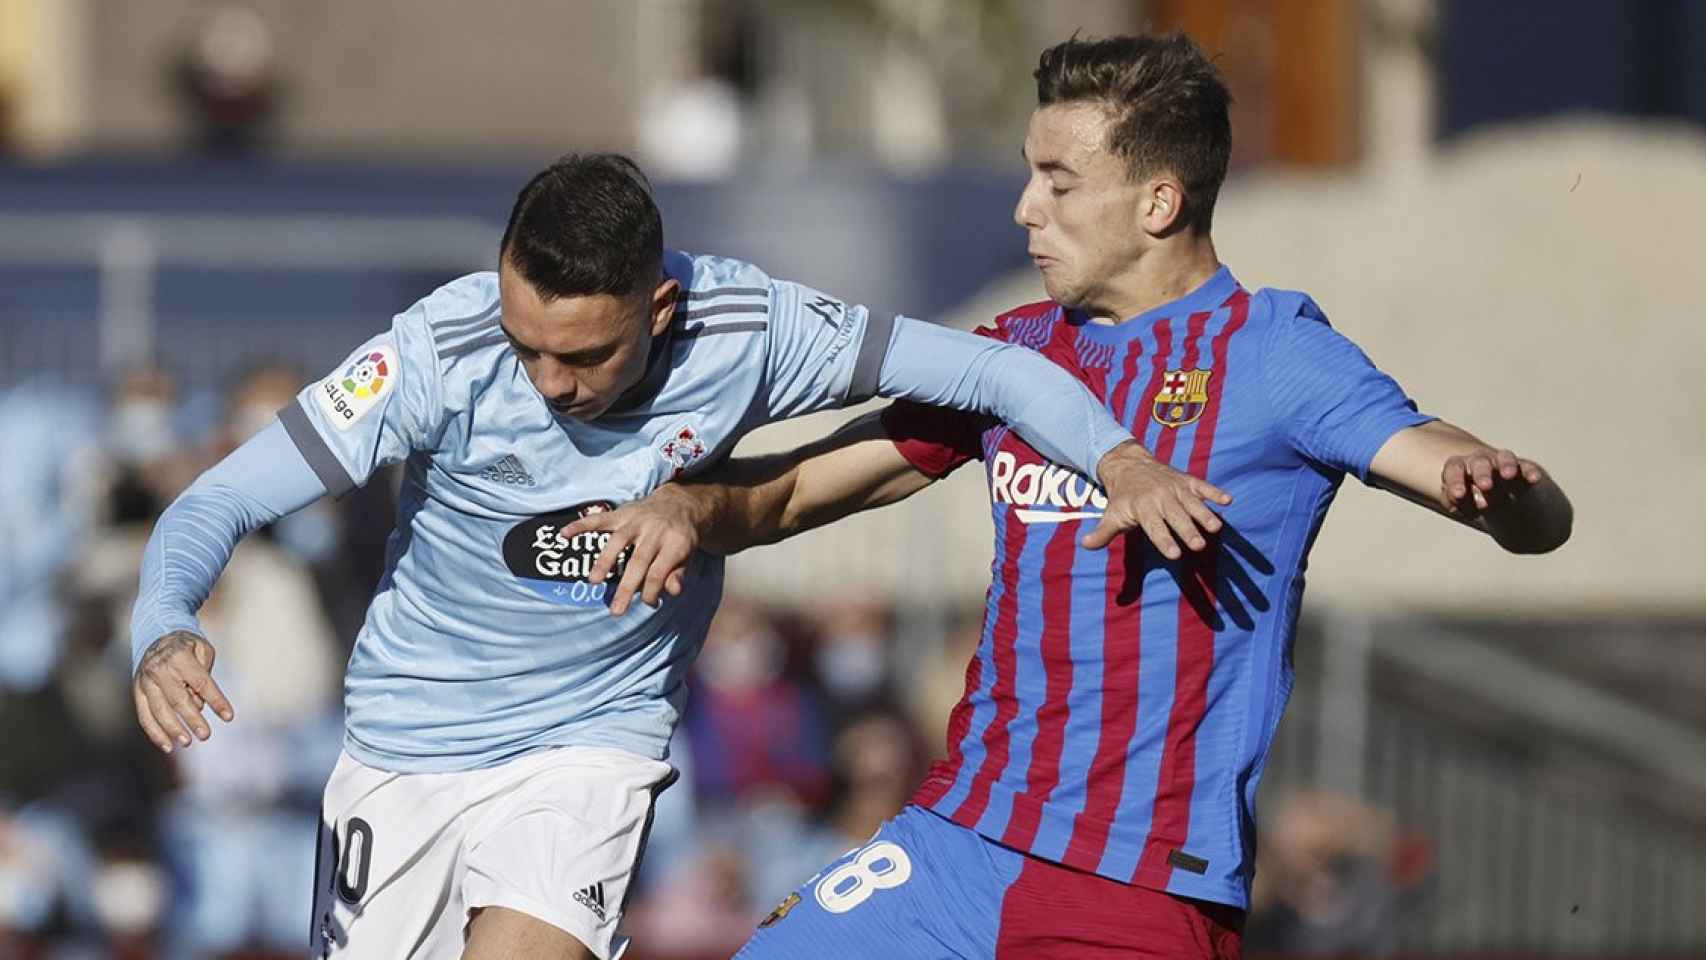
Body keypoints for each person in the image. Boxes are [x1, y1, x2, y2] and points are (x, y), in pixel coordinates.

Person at [563, 34, 1574, 959]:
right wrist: (684, 508)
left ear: (1157, 203)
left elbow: (1463, 475)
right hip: (954, 845)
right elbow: (795, 490)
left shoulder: (1273, 355)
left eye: (1056, 181)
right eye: (1025, 176)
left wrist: (1491, 486)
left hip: (1130, 886)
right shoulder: (1018, 354)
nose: (1024, 209)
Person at [126, 152, 1199, 960]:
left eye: (583, 354)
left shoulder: (752, 327)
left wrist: (1120, 458)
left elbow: (994, 374)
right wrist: (165, 621)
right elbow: (219, 497)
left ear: (661, 307)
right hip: (406, 746)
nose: (547, 383)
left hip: (589, 742)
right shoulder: (435, 353)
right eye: (526, 344)